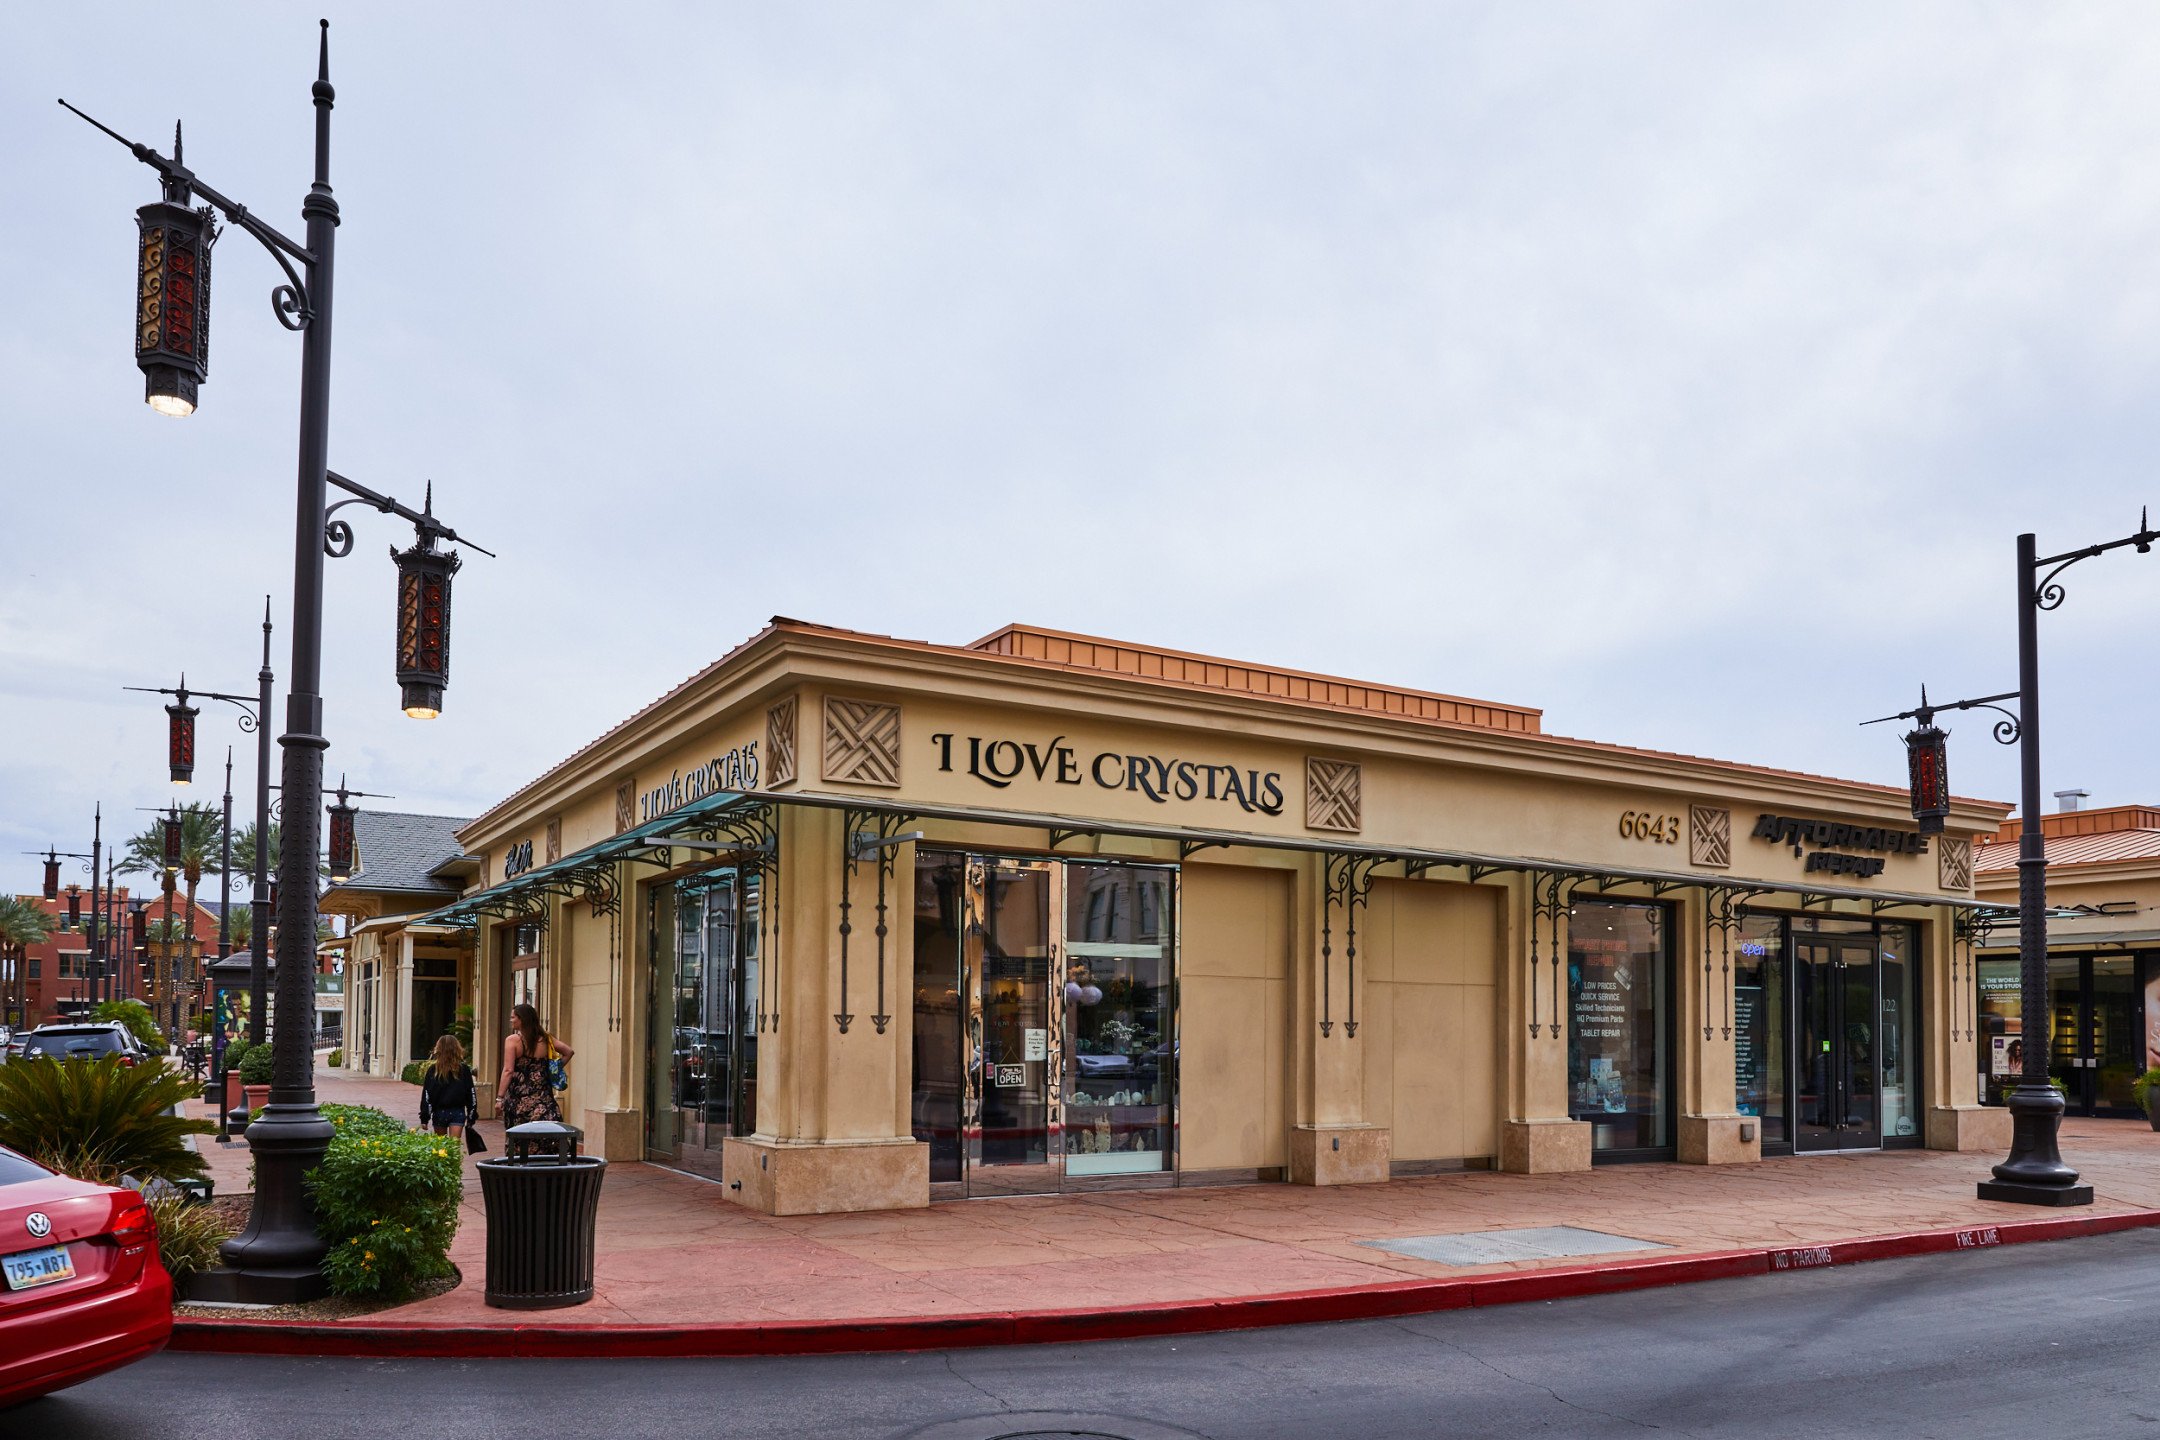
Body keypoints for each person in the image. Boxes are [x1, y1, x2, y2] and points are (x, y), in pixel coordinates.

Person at [499, 1002, 572, 1126]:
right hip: (544, 1100)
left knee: (519, 1138)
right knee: (545, 1135)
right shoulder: (546, 1039)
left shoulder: (513, 1040)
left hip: (519, 1100)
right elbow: (569, 1052)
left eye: (513, 1017)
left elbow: (508, 1070)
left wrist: (499, 1098)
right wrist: (554, 1069)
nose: (510, 1020)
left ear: (522, 1019)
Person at [418, 1033, 477, 1141]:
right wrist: (471, 1115)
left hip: (439, 1112)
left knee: (442, 1149)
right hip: (457, 1111)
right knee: (454, 1147)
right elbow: (471, 1094)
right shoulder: (463, 1069)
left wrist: (424, 1118)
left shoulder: (433, 1070)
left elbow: (427, 1095)